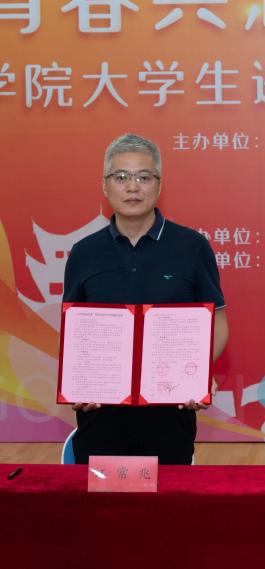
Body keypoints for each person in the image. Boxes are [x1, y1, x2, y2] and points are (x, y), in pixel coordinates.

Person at [62, 133, 229, 465]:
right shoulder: (84, 253)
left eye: (144, 177)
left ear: (159, 185)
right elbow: (73, 330)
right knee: (103, 497)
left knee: (167, 496)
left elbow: (218, 324)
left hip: (169, 410)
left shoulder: (192, 247)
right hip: (101, 412)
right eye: (121, 177)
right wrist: (78, 381)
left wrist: (195, 374)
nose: (132, 187)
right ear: (105, 186)